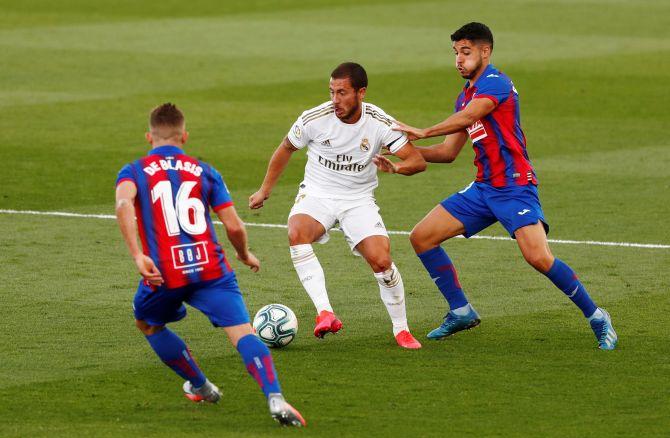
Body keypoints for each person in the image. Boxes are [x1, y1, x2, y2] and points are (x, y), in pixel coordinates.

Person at [390, 22, 617, 350]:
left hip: (514, 188)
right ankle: (461, 310)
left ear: (485, 52)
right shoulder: (464, 95)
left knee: (538, 257)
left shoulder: (496, 83)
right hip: (483, 190)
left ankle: (597, 316)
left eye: (466, 52)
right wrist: (400, 153)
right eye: (455, 53)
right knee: (422, 237)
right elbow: (448, 153)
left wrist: (423, 131)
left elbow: (471, 117)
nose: (458, 60)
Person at [115, 103, 306, 426]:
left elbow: (123, 203)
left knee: (148, 324)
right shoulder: (205, 171)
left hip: (165, 271)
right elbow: (233, 226)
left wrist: (137, 254)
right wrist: (244, 255)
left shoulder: (133, 171)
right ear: (184, 137)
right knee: (243, 332)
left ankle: (202, 386)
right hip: (211, 269)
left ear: (149, 137)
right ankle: (275, 398)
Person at [249, 62, 426, 349]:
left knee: (381, 261)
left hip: (358, 200)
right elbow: (286, 148)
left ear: (361, 93)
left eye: (342, 93)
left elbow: (416, 161)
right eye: (332, 92)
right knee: (297, 232)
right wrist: (264, 190)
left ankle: (401, 329)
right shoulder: (315, 118)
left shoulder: (380, 122)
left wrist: (395, 169)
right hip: (318, 193)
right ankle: (325, 312)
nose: (335, 100)